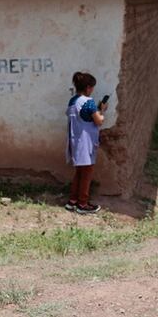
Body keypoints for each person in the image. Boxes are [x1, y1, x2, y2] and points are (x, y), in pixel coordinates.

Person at [65, 71, 107, 214]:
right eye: (92, 87)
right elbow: (99, 121)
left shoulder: (73, 101)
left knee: (79, 172)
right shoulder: (88, 102)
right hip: (86, 142)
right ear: (88, 87)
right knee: (87, 173)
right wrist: (102, 110)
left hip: (75, 141)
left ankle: (73, 201)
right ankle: (83, 204)